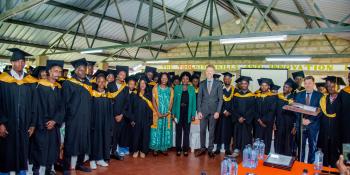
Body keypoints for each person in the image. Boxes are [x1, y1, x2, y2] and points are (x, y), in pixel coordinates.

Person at [0, 48, 37, 174]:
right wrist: (1, 123)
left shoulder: (30, 81)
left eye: (22, 61)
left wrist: (32, 124)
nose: (20, 64)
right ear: (12, 62)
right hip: (7, 125)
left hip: (24, 125)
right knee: (6, 154)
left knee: (22, 153)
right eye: (17, 61)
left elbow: (34, 105)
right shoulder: (3, 80)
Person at [30, 60, 65, 175]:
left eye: (60, 71)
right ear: (49, 71)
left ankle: (49, 170)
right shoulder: (39, 86)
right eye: (55, 70)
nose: (58, 73)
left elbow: (62, 107)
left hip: (54, 125)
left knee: (52, 148)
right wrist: (42, 123)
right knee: (39, 148)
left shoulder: (59, 87)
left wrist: (55, 121)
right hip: (41, 125)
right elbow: (35, 106)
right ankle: (36, 170)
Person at [62, 58, 92, 173]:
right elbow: (64, 103)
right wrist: (65, 119)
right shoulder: (68, 83)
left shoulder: (88, 84)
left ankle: (80, 164)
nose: (82, 71)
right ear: (75, 70)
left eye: (84, 69)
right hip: (73, 119)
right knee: (70, 142)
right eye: (79, 69)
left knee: (83, 142)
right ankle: (66, 167)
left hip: (86, 119)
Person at [195, 65, 223, 158]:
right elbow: (199, 98)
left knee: (211, 131)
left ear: (213, 72)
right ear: (205, 72)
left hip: (214, 112)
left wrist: (218, 112)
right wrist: (199, 111)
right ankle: (202, 148)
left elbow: (220, 99)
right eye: (207, 71)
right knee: (202, 130)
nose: (209, 73)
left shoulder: (218, 84)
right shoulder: (202, 83)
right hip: (203, 112)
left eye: (211, 71)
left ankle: (210, 149)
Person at [317, 76, 344, 167]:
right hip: (325, 132)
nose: (330, 88)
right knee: (324, 155)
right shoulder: (324, 99)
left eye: (332, 86)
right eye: (328, 87)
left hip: (337, 132)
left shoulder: (342, 99)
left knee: (336, 156)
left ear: (337, 86)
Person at [295, 76, 322, 163]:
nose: (307, 85)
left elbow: (320, 111)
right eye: (305, 83)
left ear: (313, 84)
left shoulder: (320, 96)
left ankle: (310, 166)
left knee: (312, 147)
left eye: (309, 83)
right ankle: (300, 165)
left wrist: (310, 121)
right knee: (301, 147)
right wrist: (301, 119)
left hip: (313, 126)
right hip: (301, 125)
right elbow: (295, 110)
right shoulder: (299, 95)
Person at [89, 70, 113, 170]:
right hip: (95, 122)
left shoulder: (108, 94)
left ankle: (100, 159)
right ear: (96, 82)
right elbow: (89, 109)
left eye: (103, 81)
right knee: (95, 140)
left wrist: (110, 123)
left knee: (104, 139)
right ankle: (92, 160)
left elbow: (110, 110)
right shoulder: (92, 94)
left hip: (105, 122)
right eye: (99, 81)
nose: (101, 83)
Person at [108, 66, 129, 161]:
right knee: (109, 134)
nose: (122, 76)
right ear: (117, 75)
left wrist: (121, 115)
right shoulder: (110, 85)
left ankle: (114, 152)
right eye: (121, 74)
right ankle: (106, 152)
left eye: (124, 75)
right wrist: (114, 115)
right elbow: (108, 101)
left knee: (116, 134)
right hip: (111, 115)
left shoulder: (126, 88)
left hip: (121, 116)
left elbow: (127, 103)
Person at [172, 72, 196, 156]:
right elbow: (174, 102)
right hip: (179, 113)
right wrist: (173, 114)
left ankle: (185, 149)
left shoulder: (192, 88)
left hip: (188, 113)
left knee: (186, 132)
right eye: (183, 78)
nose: (185, 80)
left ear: (189, 80)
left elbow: (194, 103)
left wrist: (193, 114)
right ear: (181, 79)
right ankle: (178, 149)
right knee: (178, 132)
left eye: (187, 78)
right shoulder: (177, 88)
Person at [150, 72, 174, 156]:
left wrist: (168, 112)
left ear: (168, 79)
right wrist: (158, 112)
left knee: (165, 129)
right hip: (157, 113)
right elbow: (153, 101)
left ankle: (164, 148)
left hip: (167, 114)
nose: (164, 80)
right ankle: (156, 148)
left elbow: (171, 102)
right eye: (162, 78)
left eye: (166, 78)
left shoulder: (170, 89)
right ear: (160, 78)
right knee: (157, 129)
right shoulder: (155, 88)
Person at [231, 76, 256, 157]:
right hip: (238, 119)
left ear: (248, 84)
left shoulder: (252, 95)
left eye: (245, 83)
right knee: (237, 134)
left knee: (247, 135)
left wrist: (244, 117)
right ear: (240, 85)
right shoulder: (236, 95)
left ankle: (247, 150)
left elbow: (252, 108)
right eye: (242, 83)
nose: (244, 85)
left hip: (247, 120)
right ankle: (236, 149)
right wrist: (238, 117)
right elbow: (233, 108)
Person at [130, 77, 153, 158]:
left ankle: (143, 150)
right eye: (141, 83)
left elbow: (151, 108)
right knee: (136, 135)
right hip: (136, 118)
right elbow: (131, 108)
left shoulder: (149, 95)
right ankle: (136, 150)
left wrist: (150, 119)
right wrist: (132, 119)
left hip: (146, 118)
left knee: (145, 135)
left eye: (144, 83)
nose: (142, 85)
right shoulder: (134, 94)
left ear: (146, 85)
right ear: (139, 84)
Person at [274, 78, 298, 156]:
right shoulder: (279, 97)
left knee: (288, 143)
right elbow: (274, 111)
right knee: (278, 141)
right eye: (284, 86)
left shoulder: (294, 98)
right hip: (279, 123)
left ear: (291, 89)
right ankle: (277, 158)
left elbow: (297, 114)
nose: (284, 88)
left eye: (287, 87)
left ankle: (286, 160)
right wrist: (274, 123)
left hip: (289, 125)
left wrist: (295, 126)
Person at [254, 78, 277, 155]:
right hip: (258, 122)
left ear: (268, 86)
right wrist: (259, 120)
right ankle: (257, 156)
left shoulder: (273, 97)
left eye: (266, 85)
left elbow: (272, 111)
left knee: (267, 139)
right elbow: (254, 109)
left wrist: (264, 120)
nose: (264, 87)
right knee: (258, 139)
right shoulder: (257, 96)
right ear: (260, 86)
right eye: (262, 85)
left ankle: (266, 155)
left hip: (268, 123)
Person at [214, 72, 235, 155]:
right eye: (225, 78)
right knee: (219, 131)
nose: (227, 80)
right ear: (223, 79)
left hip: (230, 115)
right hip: (220, 114)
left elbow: (236, 103)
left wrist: (230, 112)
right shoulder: (219, 89)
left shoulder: (234, 90)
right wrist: (224, 111)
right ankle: (218, 148)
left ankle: (227, 148)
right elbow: (217, 101)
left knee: (228, 131)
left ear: (231, 80)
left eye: (229, 78)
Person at [339, 66, 350, 144]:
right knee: (346, 145)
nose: (349, 79)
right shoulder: (343, 92)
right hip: (346, 125)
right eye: (349, 77)